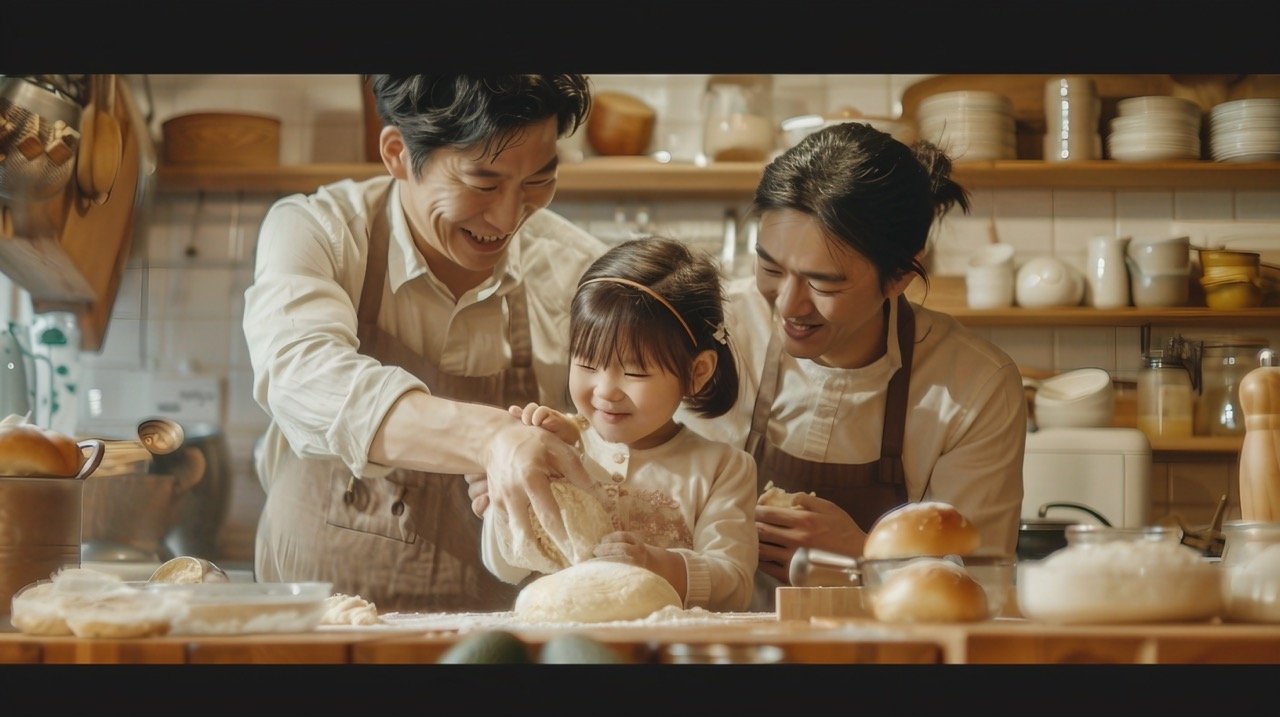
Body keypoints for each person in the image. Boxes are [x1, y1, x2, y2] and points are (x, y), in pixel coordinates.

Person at [243, 74, 609, 612]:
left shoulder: (580, 272)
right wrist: (490, 438)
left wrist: (570, 448)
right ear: (397, 153)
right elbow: (299, 372)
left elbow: (629, 440)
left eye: (537, 181)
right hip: (317, 630)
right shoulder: (318, 231)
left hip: (503, 644)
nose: (508, 218)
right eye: (483, 183)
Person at [676, 121, 1026, 609]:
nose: (788, 306)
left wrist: (865, 556)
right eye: (771, 269)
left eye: (824, 283)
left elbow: (981, 587)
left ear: (899, 275)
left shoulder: (975, 386)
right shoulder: (711, 331)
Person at [480, 237, 758, 611]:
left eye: (635, 371)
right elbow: (504, 566)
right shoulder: (555, 446)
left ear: (697, 372)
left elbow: (736, 585)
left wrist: (660, 565)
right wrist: (520, 475)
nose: (606, 390)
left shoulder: (722, 469)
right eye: (587, 364)